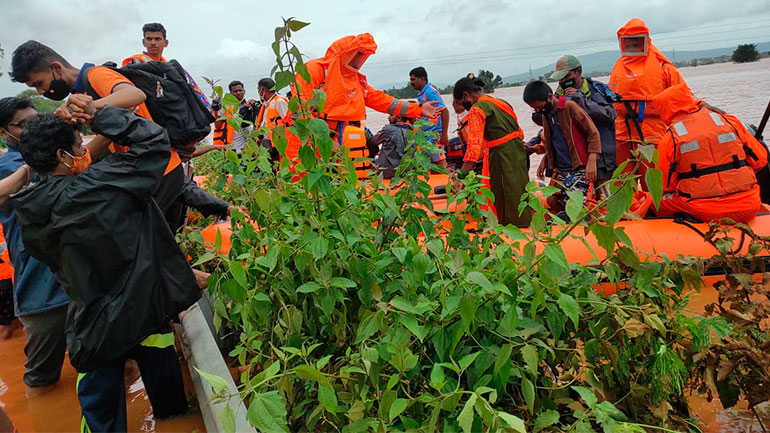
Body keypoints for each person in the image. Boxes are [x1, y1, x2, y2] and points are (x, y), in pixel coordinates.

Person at [13, 96, 201, 432]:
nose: (85, 151)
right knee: (173, 412)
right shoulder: (109, 182)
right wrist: (97, 113)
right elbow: (154, 141)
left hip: (91, 325)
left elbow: (49, 257)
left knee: (101, 421)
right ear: (63, 156)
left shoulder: (29, 208)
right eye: (79, 146)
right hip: (146, 310)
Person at [9, 40, 185, 218]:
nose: (40, 92)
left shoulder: (96, 75)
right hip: (143, 170)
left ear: (56, 68)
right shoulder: (79, 95)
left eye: (39, 83)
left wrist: (90, 106)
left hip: (162, 169)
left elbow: (135, 94)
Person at [0, 97, 70, 398]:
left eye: (34, 120)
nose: (30, 129)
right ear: (4, 132)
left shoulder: (56, 154)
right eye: (23, 125)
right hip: (39, 284)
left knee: (117, 363)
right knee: (41, 380)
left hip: (74, 278)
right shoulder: (9, 166)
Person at [292, 33, 440, 163]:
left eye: (362, 57)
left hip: (331, 139)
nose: (358, 61)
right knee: (299, 179)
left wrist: (418, 109)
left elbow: (383, 101)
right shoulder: (314, 70)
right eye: (356, 55)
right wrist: (325, 142)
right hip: (302, 140)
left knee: (331, 180)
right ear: (345, 54)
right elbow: (299, 112)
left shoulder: (354, 81)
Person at [653, 84, 767, 222]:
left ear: (663, 109)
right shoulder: (729, 121)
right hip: (749, 205)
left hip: (705, 211)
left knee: (653, 201)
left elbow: (665, 185)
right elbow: (760, 160)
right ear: (691, 100)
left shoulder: (669, 138)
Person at [608, 18, 688, 188]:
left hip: (652, 133)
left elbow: (684, 98)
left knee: (652, 183)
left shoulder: (663, 67)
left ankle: (653, 204)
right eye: (628, 41)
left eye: (636, 41)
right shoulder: (618, 66)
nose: (632, 45)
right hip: (622, 133)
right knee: (622, 184)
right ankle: (628, 205)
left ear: (645, 40)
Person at [453, 77, 531, 227]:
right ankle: (525, 224)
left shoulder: (477, 109)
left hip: (501, 156)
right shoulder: (502, 103)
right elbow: (520, 133)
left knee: (504, 195)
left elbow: (473, 148)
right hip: (518, 152)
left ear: (465, 96)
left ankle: (510, 228)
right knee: (519, 191)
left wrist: (461, 176)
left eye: (461, 102)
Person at [524, 81, 602, 214]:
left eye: (540, 107)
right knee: (554, 201)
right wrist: (544, 161)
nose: (538, 111)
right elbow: (551, 142)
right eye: (534, 109)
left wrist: (592, 159)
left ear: (550, 97)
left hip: (579, 166)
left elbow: (593, 133)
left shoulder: (570, 107)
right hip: (561, 168)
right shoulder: (546, 115)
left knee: (575, 205)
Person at [550, 54, 617, 183]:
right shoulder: (559, 94)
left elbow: (608, 115)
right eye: (560, 78)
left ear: (579, 72)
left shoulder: (595, 89)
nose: (563, 81)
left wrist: (580, 98)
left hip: (600, 157)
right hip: (574, 160)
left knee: (603, 190)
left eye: (567, 76)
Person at [409, 66, 449, 168]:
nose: (411, 83)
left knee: (439, 165)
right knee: (429, 165)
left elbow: (444, 111)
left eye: (413, 79)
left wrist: (444, 135)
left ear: (422, 79)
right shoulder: (423, 93)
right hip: (426, 135)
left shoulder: (430, 92)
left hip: (435, 135)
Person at [212, 80, 259, 155]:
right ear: (231, 94)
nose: (238, 93)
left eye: (240, 90)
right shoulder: (226, 107)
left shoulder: (250, 105)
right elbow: (218, 126)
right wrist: (215, 111)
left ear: (244, 91)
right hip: (231, 146)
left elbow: (256, 123)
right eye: (235, 91)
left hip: (247, 146)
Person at [256, 77, 291, 160]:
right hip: (268, 143)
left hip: (279, 144)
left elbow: (289, 122)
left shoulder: (279, 102)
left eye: (258, 89)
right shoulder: (266, 105)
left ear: (262, 90)